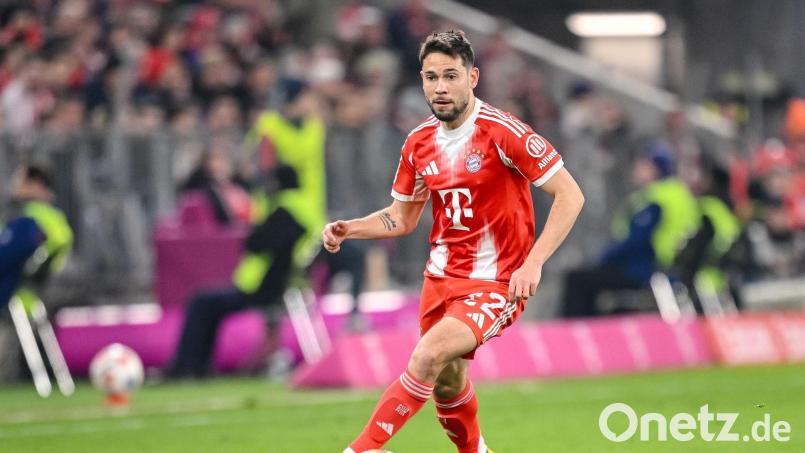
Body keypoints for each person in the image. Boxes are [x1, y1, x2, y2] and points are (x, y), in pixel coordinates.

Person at [322, 30, 584, 453]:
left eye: (450, 75)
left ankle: (362, 448)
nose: (440, 87)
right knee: (447, 382)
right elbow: (401, 217)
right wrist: (350, 228)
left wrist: (534, 262)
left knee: (426, 355)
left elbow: (570, 195)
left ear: (472, 77)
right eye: (431, 77)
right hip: (440, 280)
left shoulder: (504, 132)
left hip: (496, 282)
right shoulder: (418, 142)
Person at [167, 165, 313, 379]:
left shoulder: (283, 211)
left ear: (277, 184)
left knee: (200, 303)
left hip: (260, 289)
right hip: (279, 288)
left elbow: (256, 243)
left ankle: (187, 366)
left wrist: (258, 215)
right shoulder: (305, 209)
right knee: (209, 307)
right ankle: (198, 368)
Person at [560, 145, 699, 318]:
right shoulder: (678, 194)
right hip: (671, 269)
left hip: (647, 269)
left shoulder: (656, 200)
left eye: (642, 163)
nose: (637, 168)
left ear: (654, 169)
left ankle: (578, 329)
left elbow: (637, 241)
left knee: (577, 280)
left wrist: (605, 258)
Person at [1, 165, 73, 310]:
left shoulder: (31, 217)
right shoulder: (48, 216)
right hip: (30, 299)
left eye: (20, 180)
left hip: (18, 299)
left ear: (36, 184)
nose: (14, 185)